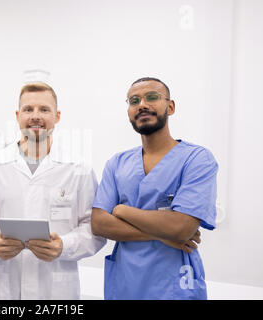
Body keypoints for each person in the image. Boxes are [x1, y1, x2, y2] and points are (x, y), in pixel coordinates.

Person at [0, 82, 106, 299]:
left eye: (44, 109)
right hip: (6, 288)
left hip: (58, 291)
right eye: (28, 109)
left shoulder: (79, 168)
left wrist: (64, 246)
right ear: (17, 116)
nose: (35, 116)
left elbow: (94, 229)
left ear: (57, 116)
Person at [91, 77, 218, 300]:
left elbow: (181, 228)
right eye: (134, 100)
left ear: (170, 107)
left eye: (152, 97)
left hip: (174, 286)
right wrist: (162, 234)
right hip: (125, 284)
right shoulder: (117, 163)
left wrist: (122, 210)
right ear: (129, 111)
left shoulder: (197, 159)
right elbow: (99, 223)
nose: (142, 104)